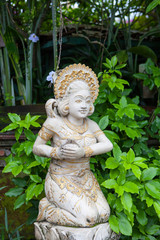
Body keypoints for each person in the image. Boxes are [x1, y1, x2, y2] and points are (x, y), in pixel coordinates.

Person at [33, 64, 113, 227]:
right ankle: (48, 209)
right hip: (61, 179)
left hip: (85, 178)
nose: (84, 105)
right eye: (78, 100)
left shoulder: (91, 124)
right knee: (88, 219)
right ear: (66, 103)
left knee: (104, 215)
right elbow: (37, 147)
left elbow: (108, 145)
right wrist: (57, 152)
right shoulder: (54, 123)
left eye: (87, 101)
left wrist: (83, 151)